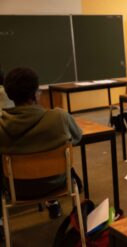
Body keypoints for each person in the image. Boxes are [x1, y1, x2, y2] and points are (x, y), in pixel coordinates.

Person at [0, 67, 82, 219]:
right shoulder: (59, 117)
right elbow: (77, 138)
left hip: (16, 189)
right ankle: (53, 203)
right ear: (35, 94)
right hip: (56, 183)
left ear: (10, 95)